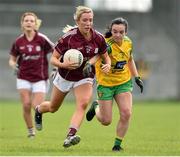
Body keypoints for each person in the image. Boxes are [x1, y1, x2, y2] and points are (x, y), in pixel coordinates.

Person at [34, 6, 111, 148]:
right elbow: (53, 59)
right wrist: (63, 65)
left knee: (82, 104)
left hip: (84, 77)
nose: (88, 23)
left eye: (90, 20)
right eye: (85, 20)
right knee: (53, 107)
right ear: (77, 21)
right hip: (64, 76)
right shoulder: (68, 38)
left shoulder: (98, 38)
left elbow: (104, 55)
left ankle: (70, 135)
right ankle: (39, 110)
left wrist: (107, 65)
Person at [86, 17, 143, 151]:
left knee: (126, 113)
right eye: (115, 31)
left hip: (123, 82)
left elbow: (130, 59)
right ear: (110, 31)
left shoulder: (128, 43)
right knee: (106, 121)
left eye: (121, 32)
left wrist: (137, 77)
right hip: (105, 84)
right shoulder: (107, 44)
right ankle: (96, 107)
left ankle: (117, 145)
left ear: (126, 32)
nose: (117, 35)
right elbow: (98, 56)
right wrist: (89, 64)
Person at [9, 12, 54, 138]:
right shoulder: (18, 41)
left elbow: (55, 51)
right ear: (22, 24)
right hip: (23, 77)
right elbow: (12, 59)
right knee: (26, 104)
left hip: (40, 78)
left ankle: (38, 116)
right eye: (26, 20)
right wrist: (14, 65)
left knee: (36, 106)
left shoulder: (42, 39)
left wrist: (56, 67)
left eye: (31, 21)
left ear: (35, 24)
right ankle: (30, 131)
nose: (29, 22)